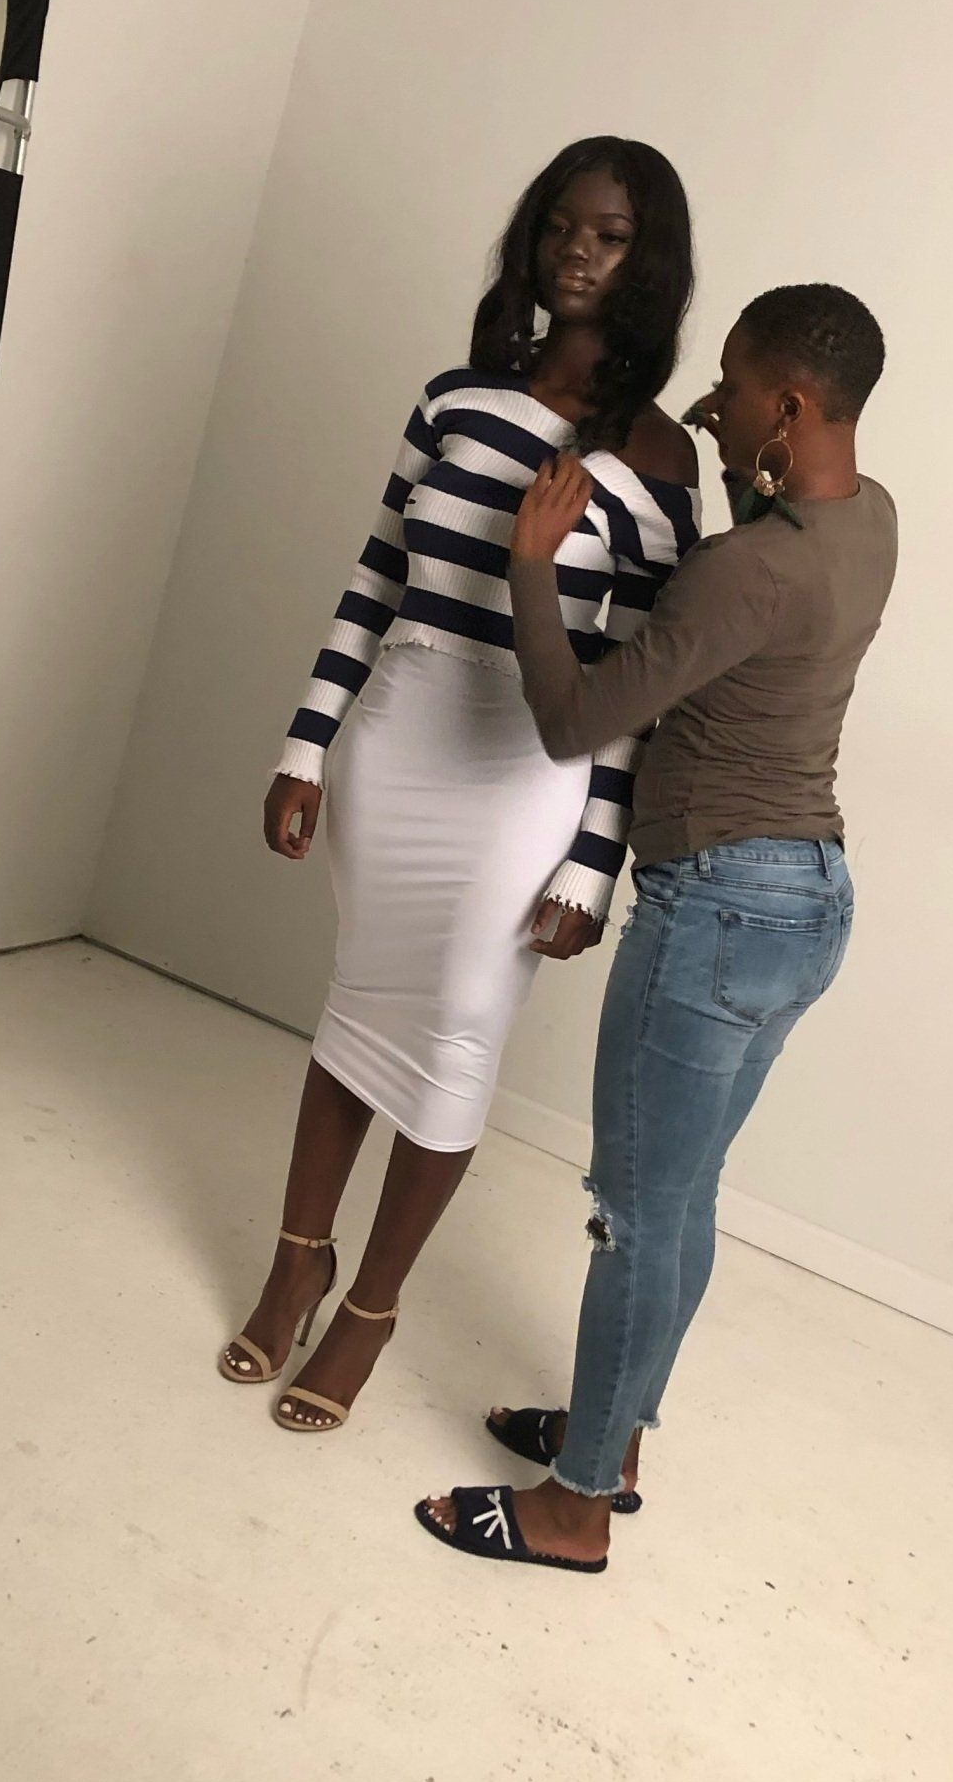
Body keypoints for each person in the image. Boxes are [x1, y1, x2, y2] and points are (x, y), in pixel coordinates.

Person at [218, 138, 701, 1431]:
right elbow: (376, 578)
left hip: (525, 779)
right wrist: (305, 745)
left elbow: (635, 682)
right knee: (355, 1014)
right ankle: (294, 1263)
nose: (578, 253)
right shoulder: (454, 400)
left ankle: (368, 1310)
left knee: (457, 1036)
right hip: (399, 739)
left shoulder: (657, 462)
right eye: (559, 227)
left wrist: (594, 862)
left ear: (649, 261)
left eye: (607, 234)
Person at [416, 281, 897, 1570]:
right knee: (681, 1206)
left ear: (789, 406)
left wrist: (528, 564)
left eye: (736, 384)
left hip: (716, 911)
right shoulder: (870, 526)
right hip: (809, 905)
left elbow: (574, 720)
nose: (715, 400)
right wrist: (748, 470)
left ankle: (574, 1511)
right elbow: (765, 582)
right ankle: (615, 1435)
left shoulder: (749, 568)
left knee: (637, 1212)